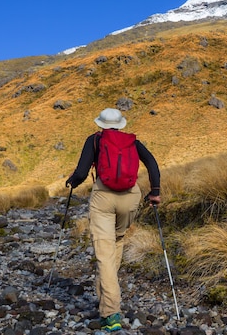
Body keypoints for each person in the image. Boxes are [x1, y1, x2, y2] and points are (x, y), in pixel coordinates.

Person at [66, 108, 161, 332]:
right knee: (116, 241)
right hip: (130, 196)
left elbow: (81, 172)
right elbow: (153, 164)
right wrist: (155, 192)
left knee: (104, 250)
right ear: (121, 124)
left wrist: (72, 182)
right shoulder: (133, 143)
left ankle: (110, 313)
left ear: (101, 124)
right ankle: (104, 295)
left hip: (103, 197)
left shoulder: (95, 140)